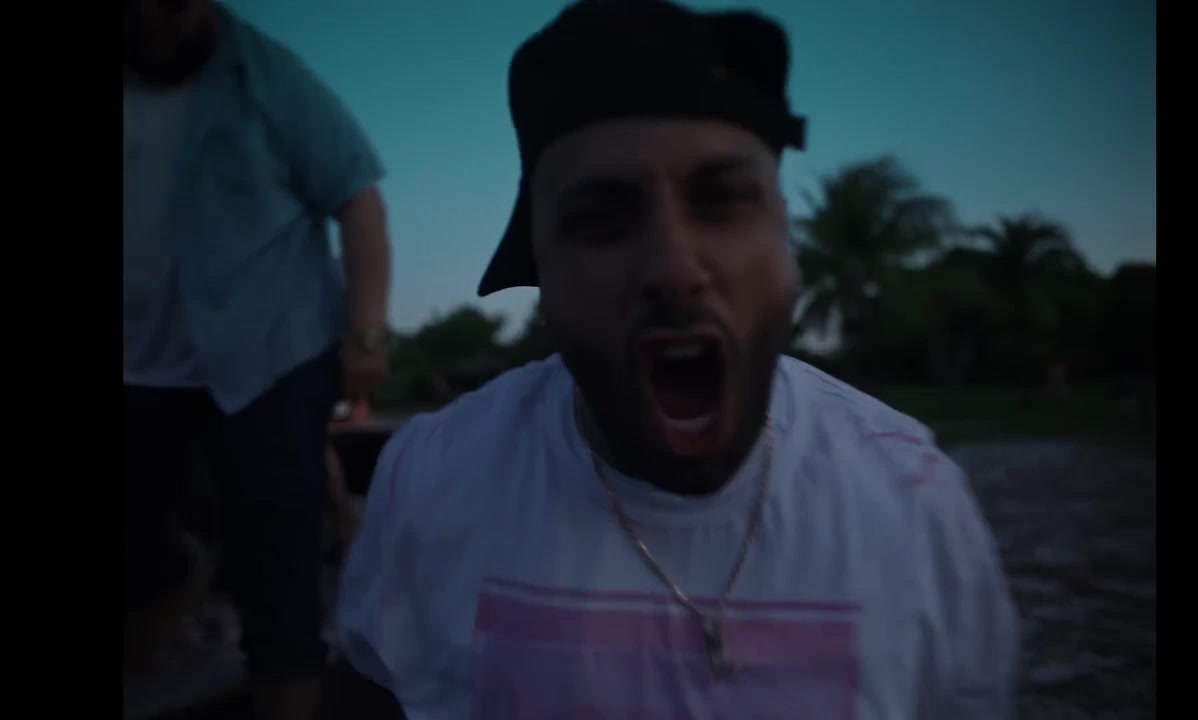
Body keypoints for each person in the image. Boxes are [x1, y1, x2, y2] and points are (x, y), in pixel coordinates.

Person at [337, 1, 1018, 718]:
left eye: (721, 201)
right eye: (602, 219)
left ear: (786, 243)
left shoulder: (917, 502)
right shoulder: (432, 479)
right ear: (542, 271)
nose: (673, 267)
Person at [123, 1, 391, 718]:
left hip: (272, 356)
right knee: (144, 547)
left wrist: (366, 335)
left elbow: (359, 199)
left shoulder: (268, 77)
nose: (159, 18)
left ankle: (291, 674)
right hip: (142, 365)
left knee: (278, 580)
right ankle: (175, 589)